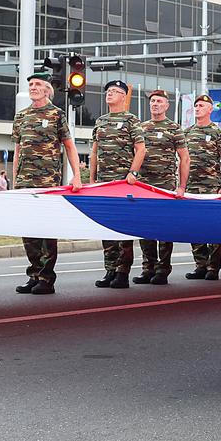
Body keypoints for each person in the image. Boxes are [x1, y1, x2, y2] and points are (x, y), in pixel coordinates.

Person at [12, 72, 80, 294]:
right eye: (31, 84)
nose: (33, 87)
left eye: (38, 84)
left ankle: (46, 278)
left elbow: (69, 146)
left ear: (47, 89)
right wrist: (15, 181)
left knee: (46, 229)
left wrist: (76, 176)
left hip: (48, 182)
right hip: (25, 182)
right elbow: (17, 151)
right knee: (28, 230)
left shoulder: (56, 114)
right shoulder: (21, 116)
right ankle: (34, 274)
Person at [128, 89, 187, 283]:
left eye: (159, 101)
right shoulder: (141, 127)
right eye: (153, 101)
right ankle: (148, 268)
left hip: (165, 186)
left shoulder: (174, 128)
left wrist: (181, 186)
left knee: (164, 227)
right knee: (145, 228)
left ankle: (163, 270)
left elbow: (184, 158)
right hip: (143, 185)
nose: (155, 104)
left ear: (167, 105)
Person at [90, 80, 139, 289]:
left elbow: (141, 149)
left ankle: (122, 272)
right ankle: (110, 269)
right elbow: (94, 151)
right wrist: (92, 179)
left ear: (123, 96)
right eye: (108, 91)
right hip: (103, 184)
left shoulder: (131, 120)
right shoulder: (100, 121)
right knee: (106, 227)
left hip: (122, 183)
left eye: (115, 91)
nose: (109, 94)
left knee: (122, 228)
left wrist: (133, 172)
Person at [182, 93, 221, 279]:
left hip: (212, 187)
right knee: (195, 227)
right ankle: (200, 264)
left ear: (210, 109)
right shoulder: (187, 132)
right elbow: (182, 161)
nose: (198, 108)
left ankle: (213, 268)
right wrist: (181, 185)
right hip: (192, 188)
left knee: (214, 227)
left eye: (201, 105)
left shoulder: (217, 132)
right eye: (196, 105)